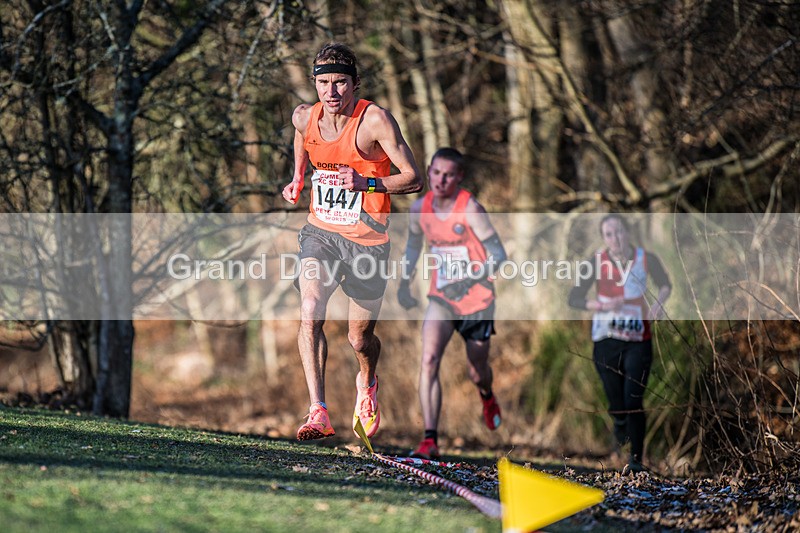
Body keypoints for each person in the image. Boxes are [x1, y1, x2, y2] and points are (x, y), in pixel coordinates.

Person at [282, 43, 422, 441]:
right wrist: (297, 177)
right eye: (324, 82)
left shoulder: (374, 121)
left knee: (359, 338)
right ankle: (319, 411)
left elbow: (413, 178)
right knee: (310, 308)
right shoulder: (304, 116)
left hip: (368, 242)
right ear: (315, 83)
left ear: (355, 84)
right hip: (320, 233)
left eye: (341, 82)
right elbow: (300, 138)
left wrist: (368, 182)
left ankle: (367, 384)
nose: (332, 92)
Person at [397, 148, 506, 459]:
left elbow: (499, 256)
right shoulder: (419, 209)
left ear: (459, 178)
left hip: (477, 300)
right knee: (429, 359)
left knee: (477, 370)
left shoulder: (470, 208)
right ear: (429, 172)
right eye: (436, 173)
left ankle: (486, 394)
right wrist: (404, 283)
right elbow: (413, 246)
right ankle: (429, 439)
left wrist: (469, 279)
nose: (441, 180)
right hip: (442, 298)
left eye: (448, 175)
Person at [568, 214, 671, 471]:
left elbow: (665, 284)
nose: (616, 238)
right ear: (604, 238)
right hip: (606, 340)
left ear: (627, 232)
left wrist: (658, 305)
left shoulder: (645, 258)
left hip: (638, 339)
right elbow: (574, 297)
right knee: (617, 402)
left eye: (619, 232)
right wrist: (599, 304)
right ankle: (619, 421)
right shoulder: (596, 262)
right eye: (609, 234)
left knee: (633, 398)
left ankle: (636, 459)